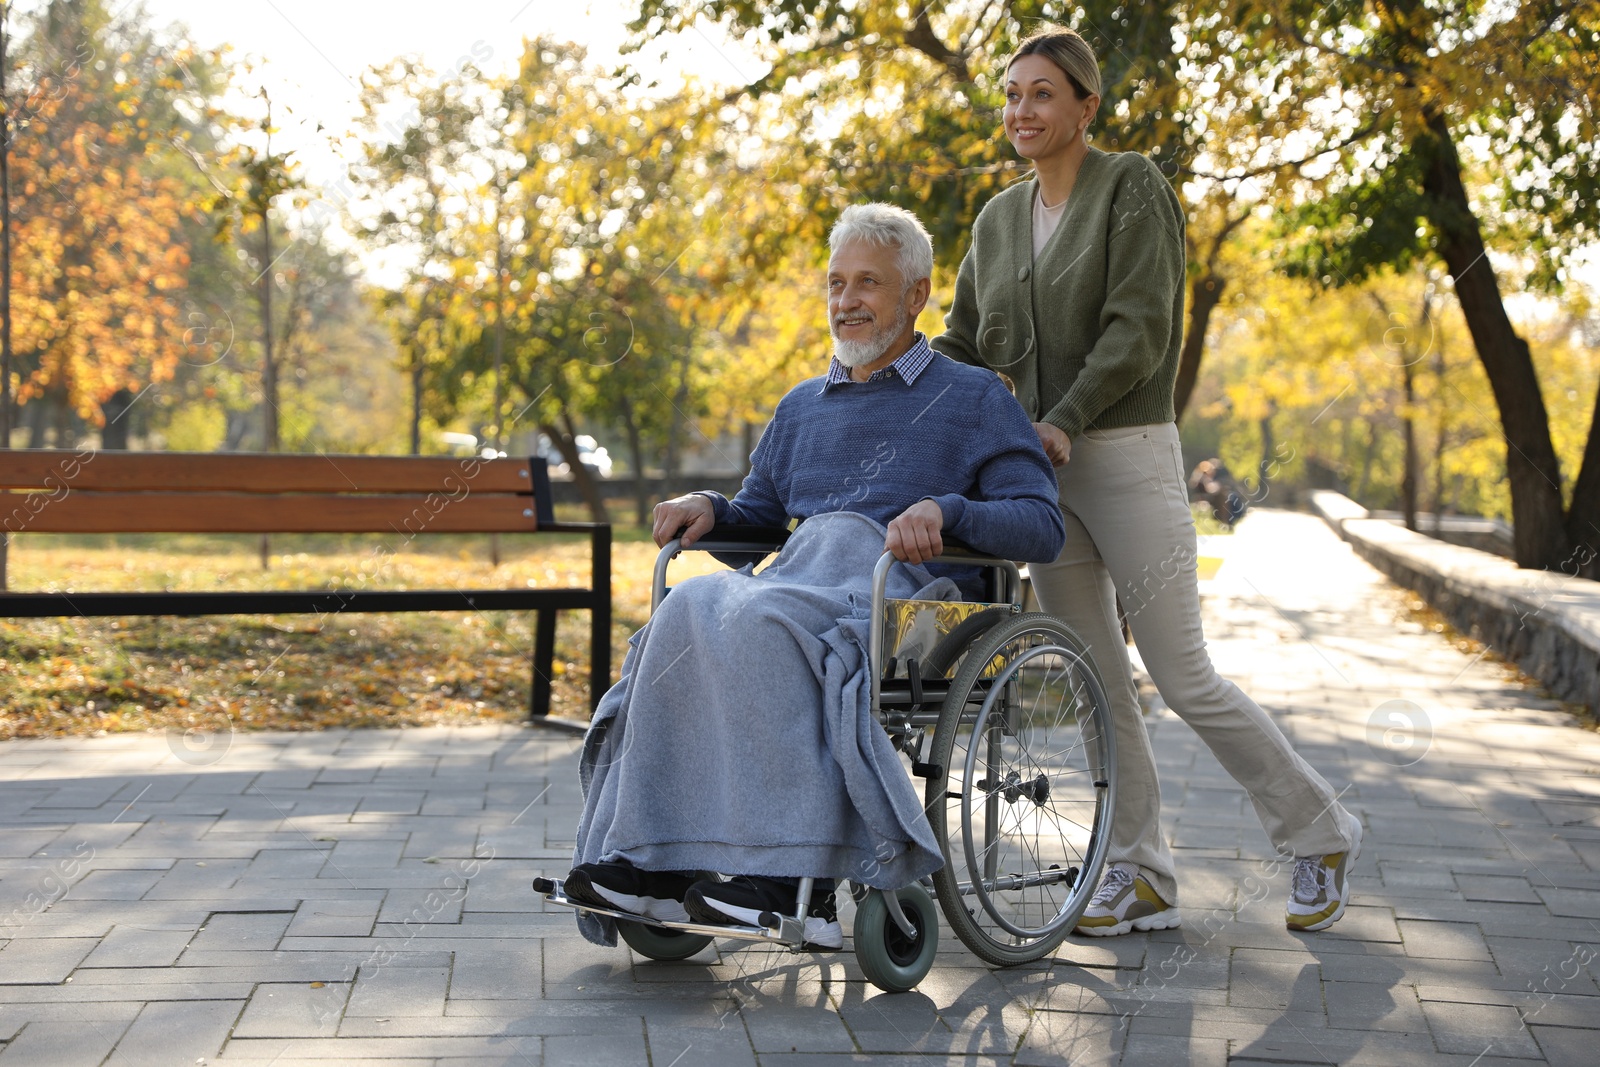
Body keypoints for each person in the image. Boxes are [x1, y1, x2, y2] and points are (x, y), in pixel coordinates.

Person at [932, 28, 1362, 935]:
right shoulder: (997, 220)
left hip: (1123, 454)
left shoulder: (1132, 188)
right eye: (1012, 95)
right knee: (1097, 676)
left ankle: (1320, 831)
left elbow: (1141, 326)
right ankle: (1141, 869)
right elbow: (966, 345)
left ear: (1086, 106)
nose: (1021, 111)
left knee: (1181, 669)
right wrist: (898, 383)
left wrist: (1066, 417)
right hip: (1037, 478)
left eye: (1042, 94)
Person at [564, 203, 1065, 949]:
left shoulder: (974, 398)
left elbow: (1040, 523)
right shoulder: (803, 405)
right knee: (688, 605)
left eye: (868, 282)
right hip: (803, 573)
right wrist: (710, 507)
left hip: (903, 594)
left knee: (767, 622)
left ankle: (777, 881)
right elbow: (759, 515)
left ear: (917, 295)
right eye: (836, 283)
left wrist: (949, 510)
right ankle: (655, 859)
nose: (846, 300)